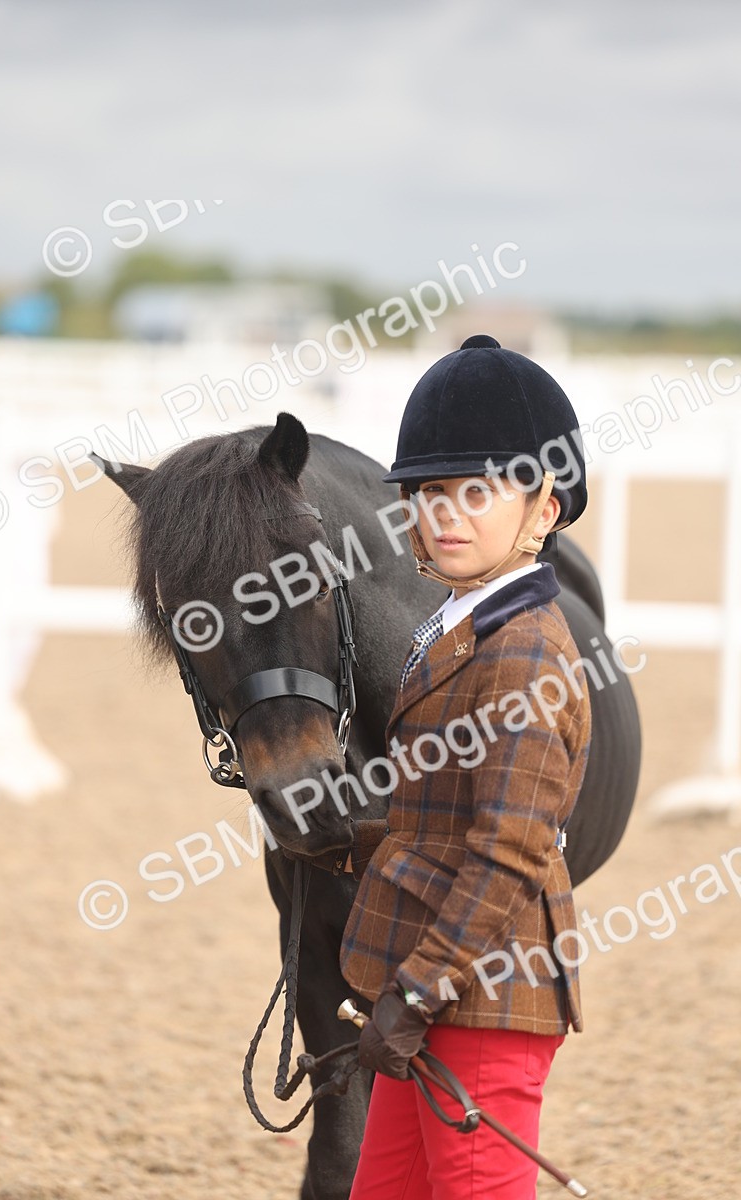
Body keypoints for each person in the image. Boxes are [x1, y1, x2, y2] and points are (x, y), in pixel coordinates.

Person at [339, 334, 593, 1200]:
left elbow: (510, 851)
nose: (445, 513)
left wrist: (414, 992)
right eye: (431, 491)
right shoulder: (459, 624)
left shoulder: (525, 654)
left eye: (477, 491)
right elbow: (438, 814)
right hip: (439, 982)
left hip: (480, 996)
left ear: (545, 511)